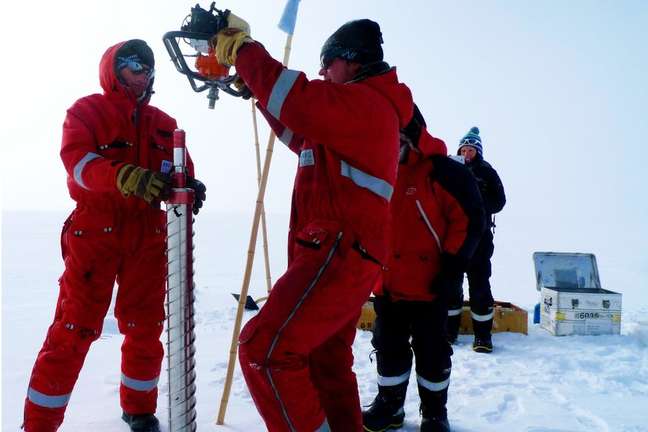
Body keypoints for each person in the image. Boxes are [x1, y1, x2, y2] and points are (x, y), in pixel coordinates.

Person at [210, 17, 414, 431]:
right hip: (343, 255)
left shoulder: (367, 103)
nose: (322, 71)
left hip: (339, 252)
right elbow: (299, 130)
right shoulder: (351, 114)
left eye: (328, 63)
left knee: (263, 349)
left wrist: (244, 50)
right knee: (324, 361)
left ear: (352, 63)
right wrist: (257, 88)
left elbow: (300, 101)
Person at [22, 39, 206, 432]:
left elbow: (180, 170)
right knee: (73, 329)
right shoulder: (86, 112)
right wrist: (122, 176)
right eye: (132, 64)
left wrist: (190, 186)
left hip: (148, 235)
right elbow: (78, 163)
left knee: (145, 327)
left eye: (147, 66)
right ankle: (38, 424)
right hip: (96, 231)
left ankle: (139, 410)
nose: (142, 72)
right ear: (113, 68)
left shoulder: (165, 123)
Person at [362, 107, 485, 432]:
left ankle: (434, 413)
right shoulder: (375, 170)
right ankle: (390, 406)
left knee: (432, 352)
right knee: (388, 347)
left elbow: (470, 219)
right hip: (387, 285)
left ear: (409, 135)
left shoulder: (443, 172)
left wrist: (451, 267)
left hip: (431, 286)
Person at [446, 127, 506, 353]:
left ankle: (483, 337)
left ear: (478, 151)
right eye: (464, 148)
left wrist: (477, 205)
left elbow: (499, 201)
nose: (467, 152)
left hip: (480, 239)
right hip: (453, 237)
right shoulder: (451, 169)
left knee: (480, 286)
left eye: (471, 149)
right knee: (451, 285)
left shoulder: (487, 172)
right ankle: (448, 332)